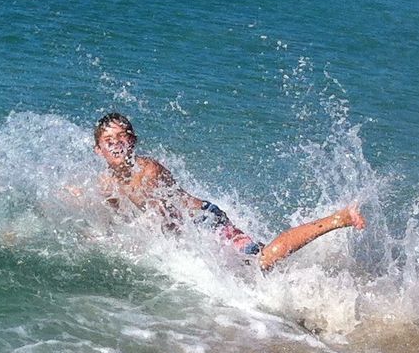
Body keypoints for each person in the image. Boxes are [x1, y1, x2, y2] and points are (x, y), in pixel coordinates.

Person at [90, 112, 363, 271]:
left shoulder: (147, 173)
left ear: (133, 142)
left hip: (204, 220)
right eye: (108, 141)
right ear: (98, 150)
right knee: (251, 272)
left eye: (122, 138)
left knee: (262, 261)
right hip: (191, 227)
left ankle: (340, 218)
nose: (116, 146)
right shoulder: (107, 183)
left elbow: (169, 219)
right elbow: (123, 218)